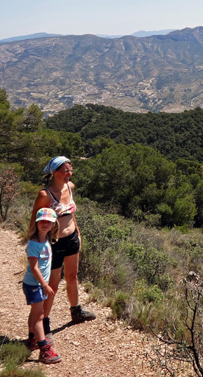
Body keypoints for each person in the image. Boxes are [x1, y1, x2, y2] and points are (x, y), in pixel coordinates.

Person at [31, 156, 96, 338]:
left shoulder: (70, 187)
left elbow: (70, 213)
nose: (69, 174)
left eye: (70, 170)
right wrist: (35, 241)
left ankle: (76, 311)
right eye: (65, 170)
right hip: (54, 242)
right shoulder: (45, 194)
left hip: (72, 237)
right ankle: (44, 322)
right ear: (55, 172)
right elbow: (35, 217)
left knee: (72, 276)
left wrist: (79, 234)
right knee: (52, 284)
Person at [23, 208, 63, 364]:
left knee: (35, 313)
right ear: (37, 223)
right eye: (42, 221)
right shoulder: (34, 244)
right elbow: (34, 268)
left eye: (49, 221)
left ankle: (32, 339)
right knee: (39, 316)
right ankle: (44, 351)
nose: (45, 224)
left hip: (37, 284)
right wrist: (45, 285)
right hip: (34, 284)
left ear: (54, 224)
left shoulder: (45, 239)